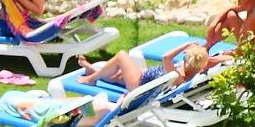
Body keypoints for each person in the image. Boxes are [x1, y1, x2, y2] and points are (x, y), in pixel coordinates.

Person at [73, 40, 210, 92]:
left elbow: (166, 57)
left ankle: (91, 79)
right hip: (145, 77)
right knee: (117, 75)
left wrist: (185, 45)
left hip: (139, 85)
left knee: (121, 56)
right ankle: (91, 70)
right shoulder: (195, 71)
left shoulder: (179, 77)